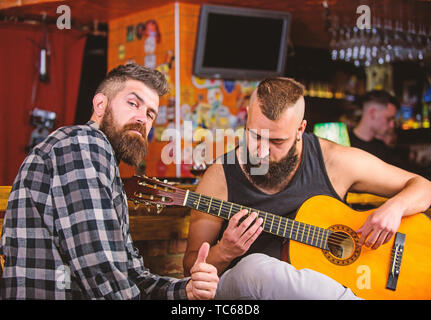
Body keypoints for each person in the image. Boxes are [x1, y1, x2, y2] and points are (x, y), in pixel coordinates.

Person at [183, 77, 431, 300]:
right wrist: (225, 251)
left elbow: (424, 187)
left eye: (277, 141)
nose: (262, 151)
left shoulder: (334, 161)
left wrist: (393, 208)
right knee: (255, 268)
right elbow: (190, 270)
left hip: (334, 287)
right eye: (255, 135)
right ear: (247, 116)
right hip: (249, 290)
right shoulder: (220, 176)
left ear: (300, 129)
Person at [0, 63, 218, 300]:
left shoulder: (103, 163)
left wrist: (185, 290)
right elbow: (99, 267)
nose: (142, 119)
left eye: (150, 114)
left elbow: (130, 275)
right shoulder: (82, 143)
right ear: (100, 104)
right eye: (133, 103)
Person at [348, 90, 399, 163]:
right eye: (388, 119)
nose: (392, 125)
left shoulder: (382, 148)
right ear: (373, 113)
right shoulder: (345, 144)